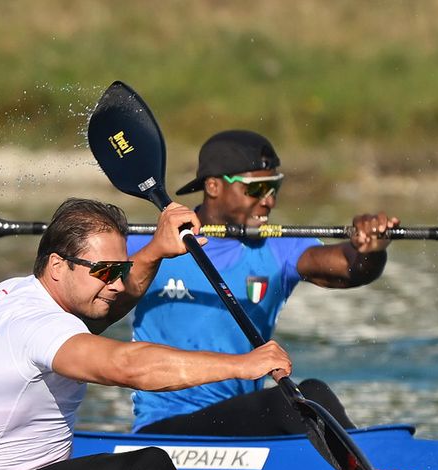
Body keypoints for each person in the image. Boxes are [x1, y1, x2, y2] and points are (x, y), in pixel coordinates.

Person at [0, 197, 292, 470]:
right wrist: (242, 365)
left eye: (120, 271)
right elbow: (128, 367)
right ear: (58, 266)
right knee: (146, 468)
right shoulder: (39, 328)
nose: (118, 285)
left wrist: (155, 250)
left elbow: (109, 306)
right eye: (105, 272)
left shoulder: (11, 292)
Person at [126, 130, 398, 436]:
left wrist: (370, 251)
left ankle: (378, 469)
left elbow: (351, 269)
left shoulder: (279, 249)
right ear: (213, 186)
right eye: (258, 189)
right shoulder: (149, 245)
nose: (269, 201)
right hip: (164, 428)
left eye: (274, 187)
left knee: (308, 395)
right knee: (303, 400)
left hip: (241, 422)